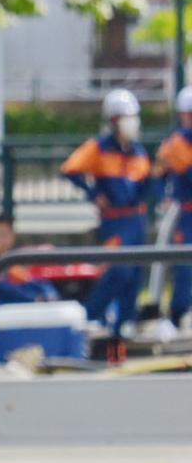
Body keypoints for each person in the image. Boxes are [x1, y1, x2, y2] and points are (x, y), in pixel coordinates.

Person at [62, 88, 152, 333]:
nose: (132, 122)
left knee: (134, 275)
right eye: (126, 117)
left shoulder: (138, 152)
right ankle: (91, 318)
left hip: (136, 221)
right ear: (113, 120)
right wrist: (94, 194)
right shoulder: (98, 148)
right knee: (117, 271)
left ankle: (124, 327)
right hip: (114, 222)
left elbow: (144, 185)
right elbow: (70, 169)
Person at [152, 86, 192, 326]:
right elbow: (158, 175)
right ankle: (177, 316)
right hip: (187, 212)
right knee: (184, 267)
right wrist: (163, 199)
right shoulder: (175, 144)